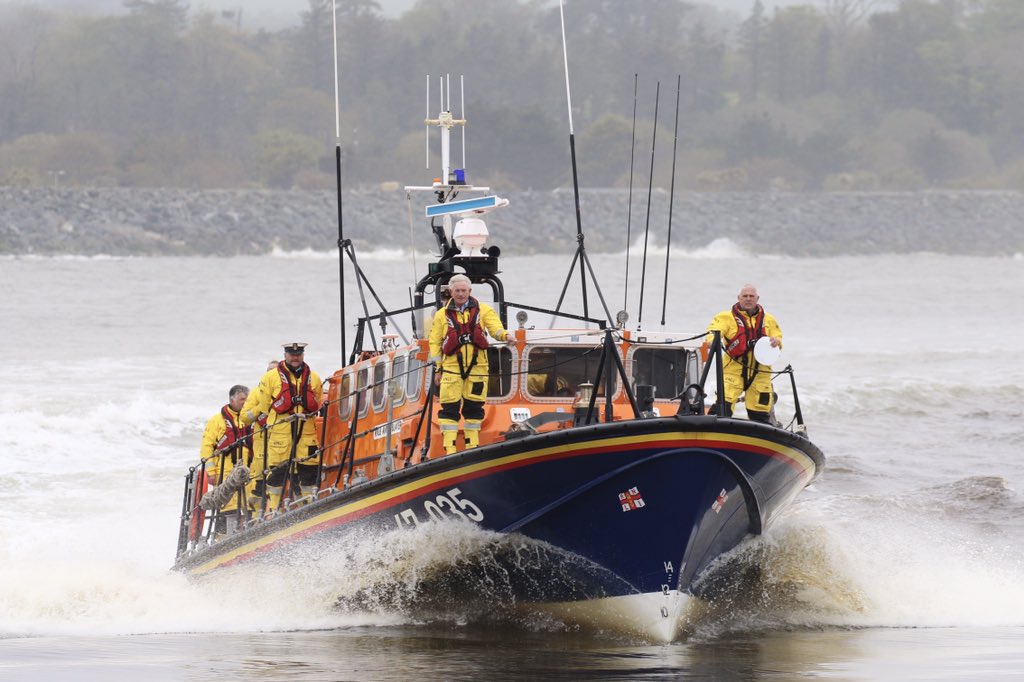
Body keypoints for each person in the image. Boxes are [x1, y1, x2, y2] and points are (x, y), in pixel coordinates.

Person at [428, 274, 510, 454]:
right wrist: (438, 369)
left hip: (478, 368)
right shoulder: (442, 315)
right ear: (450, 292)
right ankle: (449, 449)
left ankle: (472, 446)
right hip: (451, 370)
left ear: (469, 291)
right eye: (456, 291)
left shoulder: (484, 310)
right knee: (449, 409)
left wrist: (505, 336)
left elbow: (495, 328)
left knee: (474, 408)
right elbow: (434, 343)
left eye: (463, 290)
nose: (460, 294)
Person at [240, 343, 324, 513]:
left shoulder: (314, 378)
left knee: (308, 471)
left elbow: (318, 401)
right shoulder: (269, 379)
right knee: (277, 473)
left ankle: (308, 507)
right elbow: (263, 407)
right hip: (280, 433)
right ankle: (275, 509)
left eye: (298, 354)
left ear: (303, 355)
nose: (295, 357)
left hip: (306, 432)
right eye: (291, 354)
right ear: (285, 355)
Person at [706, 284, 782, 423]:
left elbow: (778, 338)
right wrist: (712, 341)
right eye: (745, 296)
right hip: (733, 371)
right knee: (722, 407)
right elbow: (713, 332)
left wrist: (776, 341)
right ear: (738, 298)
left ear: (757, 298)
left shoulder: (769, 320)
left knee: (761, 414)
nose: (748, 299)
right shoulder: (725, 317)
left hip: (760, 373)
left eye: (751, 296)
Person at [199, 384, 252, 533]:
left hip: (247, 471)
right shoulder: (216, 421)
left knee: (248, 505)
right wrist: (211, 472)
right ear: (232, 399)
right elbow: (206, 447)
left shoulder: (249, 418)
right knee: (226, 506)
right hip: (225, 472)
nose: (244, 402)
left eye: (247, 399)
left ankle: (248, 532)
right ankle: (220, 537)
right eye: (242, 399)